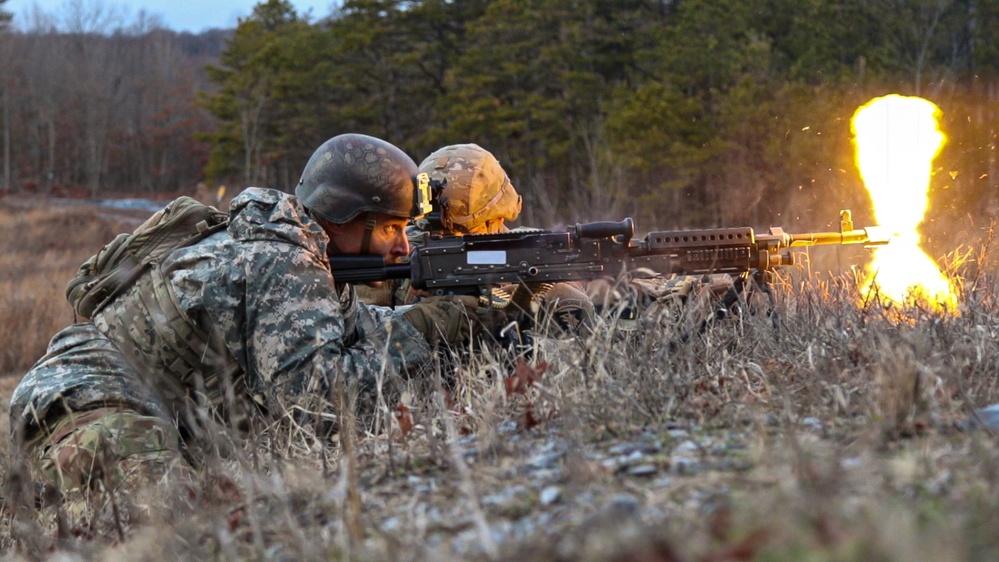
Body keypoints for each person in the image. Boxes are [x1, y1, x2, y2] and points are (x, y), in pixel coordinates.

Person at [9, 133, 484, 495]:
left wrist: (458, 318)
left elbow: (357, 332)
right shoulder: (281, 261)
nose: (404, 245)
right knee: (162, 522)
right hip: (87, 401)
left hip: (148, 407)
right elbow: (314, 403)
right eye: (393, 229)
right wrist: (422, 335)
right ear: (346, 219)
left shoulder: (312, 259)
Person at [356, 143, 596, 335]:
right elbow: (360, 327)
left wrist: (505, 299)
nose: (448, 241)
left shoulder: (522, 247)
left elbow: (573, 305)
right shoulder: (397, 252)